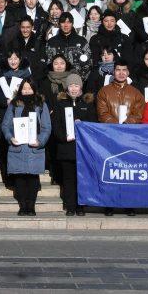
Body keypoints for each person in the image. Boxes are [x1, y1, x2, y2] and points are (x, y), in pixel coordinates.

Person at [2, 79, 51, 216]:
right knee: (20, 178)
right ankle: (23, 206)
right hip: (18, 146)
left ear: (34, 89)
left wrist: (40, 141)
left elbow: (47, 127)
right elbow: (5, 125)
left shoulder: (41, 104)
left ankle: (31, 206)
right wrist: (10, 138)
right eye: (24, 88)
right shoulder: (14, 104)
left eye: (29, 88)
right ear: (20, 90)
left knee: (32, 178)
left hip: (34, 147)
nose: (27, 91)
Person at [50, 73, 95, 216]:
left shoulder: (87, 104)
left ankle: (81, 206)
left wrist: (83, 126)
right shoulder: (60, 104)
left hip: (83, 149)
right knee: (68, 179)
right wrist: (64, 137)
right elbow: (55, 125)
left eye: (76, 85)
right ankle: (70, 206)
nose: (74, 89)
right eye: (71, 85)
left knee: (82, 178)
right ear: (66, 87)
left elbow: (93, 124)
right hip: (66, 148)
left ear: (81, 87)